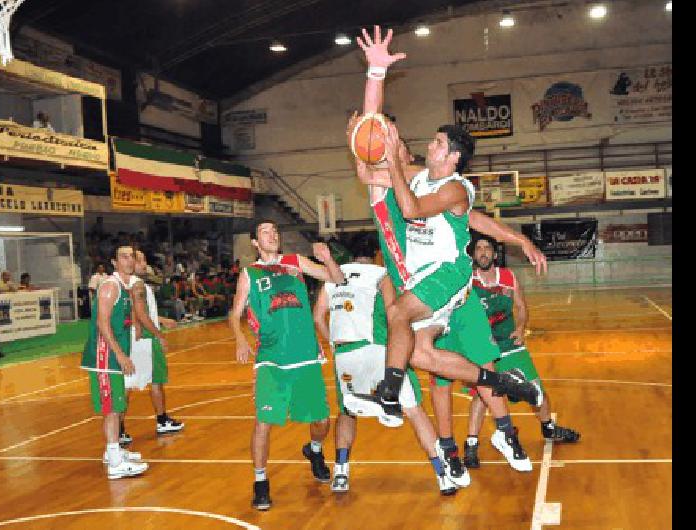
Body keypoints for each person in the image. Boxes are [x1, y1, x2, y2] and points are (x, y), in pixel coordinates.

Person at [344, 26, 547, 477]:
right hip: (421, 280)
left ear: (452, 155)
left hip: (449, 275)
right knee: (423, 355)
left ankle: (392, 395)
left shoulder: (454, 187)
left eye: (437, 142)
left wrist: (393, 161)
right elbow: (370, 148)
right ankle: (499, 384)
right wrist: (375, 72)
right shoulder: (417, 176)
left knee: (398, 316)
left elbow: (411, 204)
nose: (428, 144)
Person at [312, 236, 457, 495]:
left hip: (346, 353)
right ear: (377, 254)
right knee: (414, 411)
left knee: (347, 412)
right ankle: (443, 475)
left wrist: (333, 344)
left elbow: (318, 316)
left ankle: (341, 473)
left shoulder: (332, 277)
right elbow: (394, 313)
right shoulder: (381, 274)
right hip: (380, 350)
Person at [230, 219, 344, 511]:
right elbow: (234, 314)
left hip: (305, 354)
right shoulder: (250, 273)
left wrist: (328, 259)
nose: (272, 234)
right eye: (265, 231)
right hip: (271, 358)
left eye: (275, 231)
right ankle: (260, 482)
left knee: (321, 422)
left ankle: (314, 450)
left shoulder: (296, 262)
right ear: (255, 243)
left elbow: (337, 280)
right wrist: (240, 339)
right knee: (263, 423)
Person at [463, 236, 581, 469]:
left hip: (509, 343)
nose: (484, 252)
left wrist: (520, 327)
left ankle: (549, 428)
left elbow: (521, 306)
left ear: (495, 254)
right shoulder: (467, 280)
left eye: (488, 248)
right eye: (479, 249)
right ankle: (471, 445)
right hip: (482, 347)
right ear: (474, 255)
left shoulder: (508, 277)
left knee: (536, 389)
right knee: (482, 395)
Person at [80, 244, 148, 480]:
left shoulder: (126, 286)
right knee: (111, 409)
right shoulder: (110, 286)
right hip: (104, 357)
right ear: (114, 262)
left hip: (111, 355)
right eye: (123, 257)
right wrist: (119, 354)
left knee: (117, 406)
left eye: (132, 256)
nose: (129, 260)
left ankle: (114, 452)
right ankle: (114, 462)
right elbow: (102, 323)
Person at [119, 249, 183, 445]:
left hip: (139, 339)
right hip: (143, 341)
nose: (144, 264)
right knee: (133, 385)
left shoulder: (136, 285)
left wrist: (161, 320)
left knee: (148, 382)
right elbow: (138, 315)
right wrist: (158, 335)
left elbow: (142, 313)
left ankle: (159, 420)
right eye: (140, 260)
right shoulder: (135, 286)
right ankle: (122, 428)